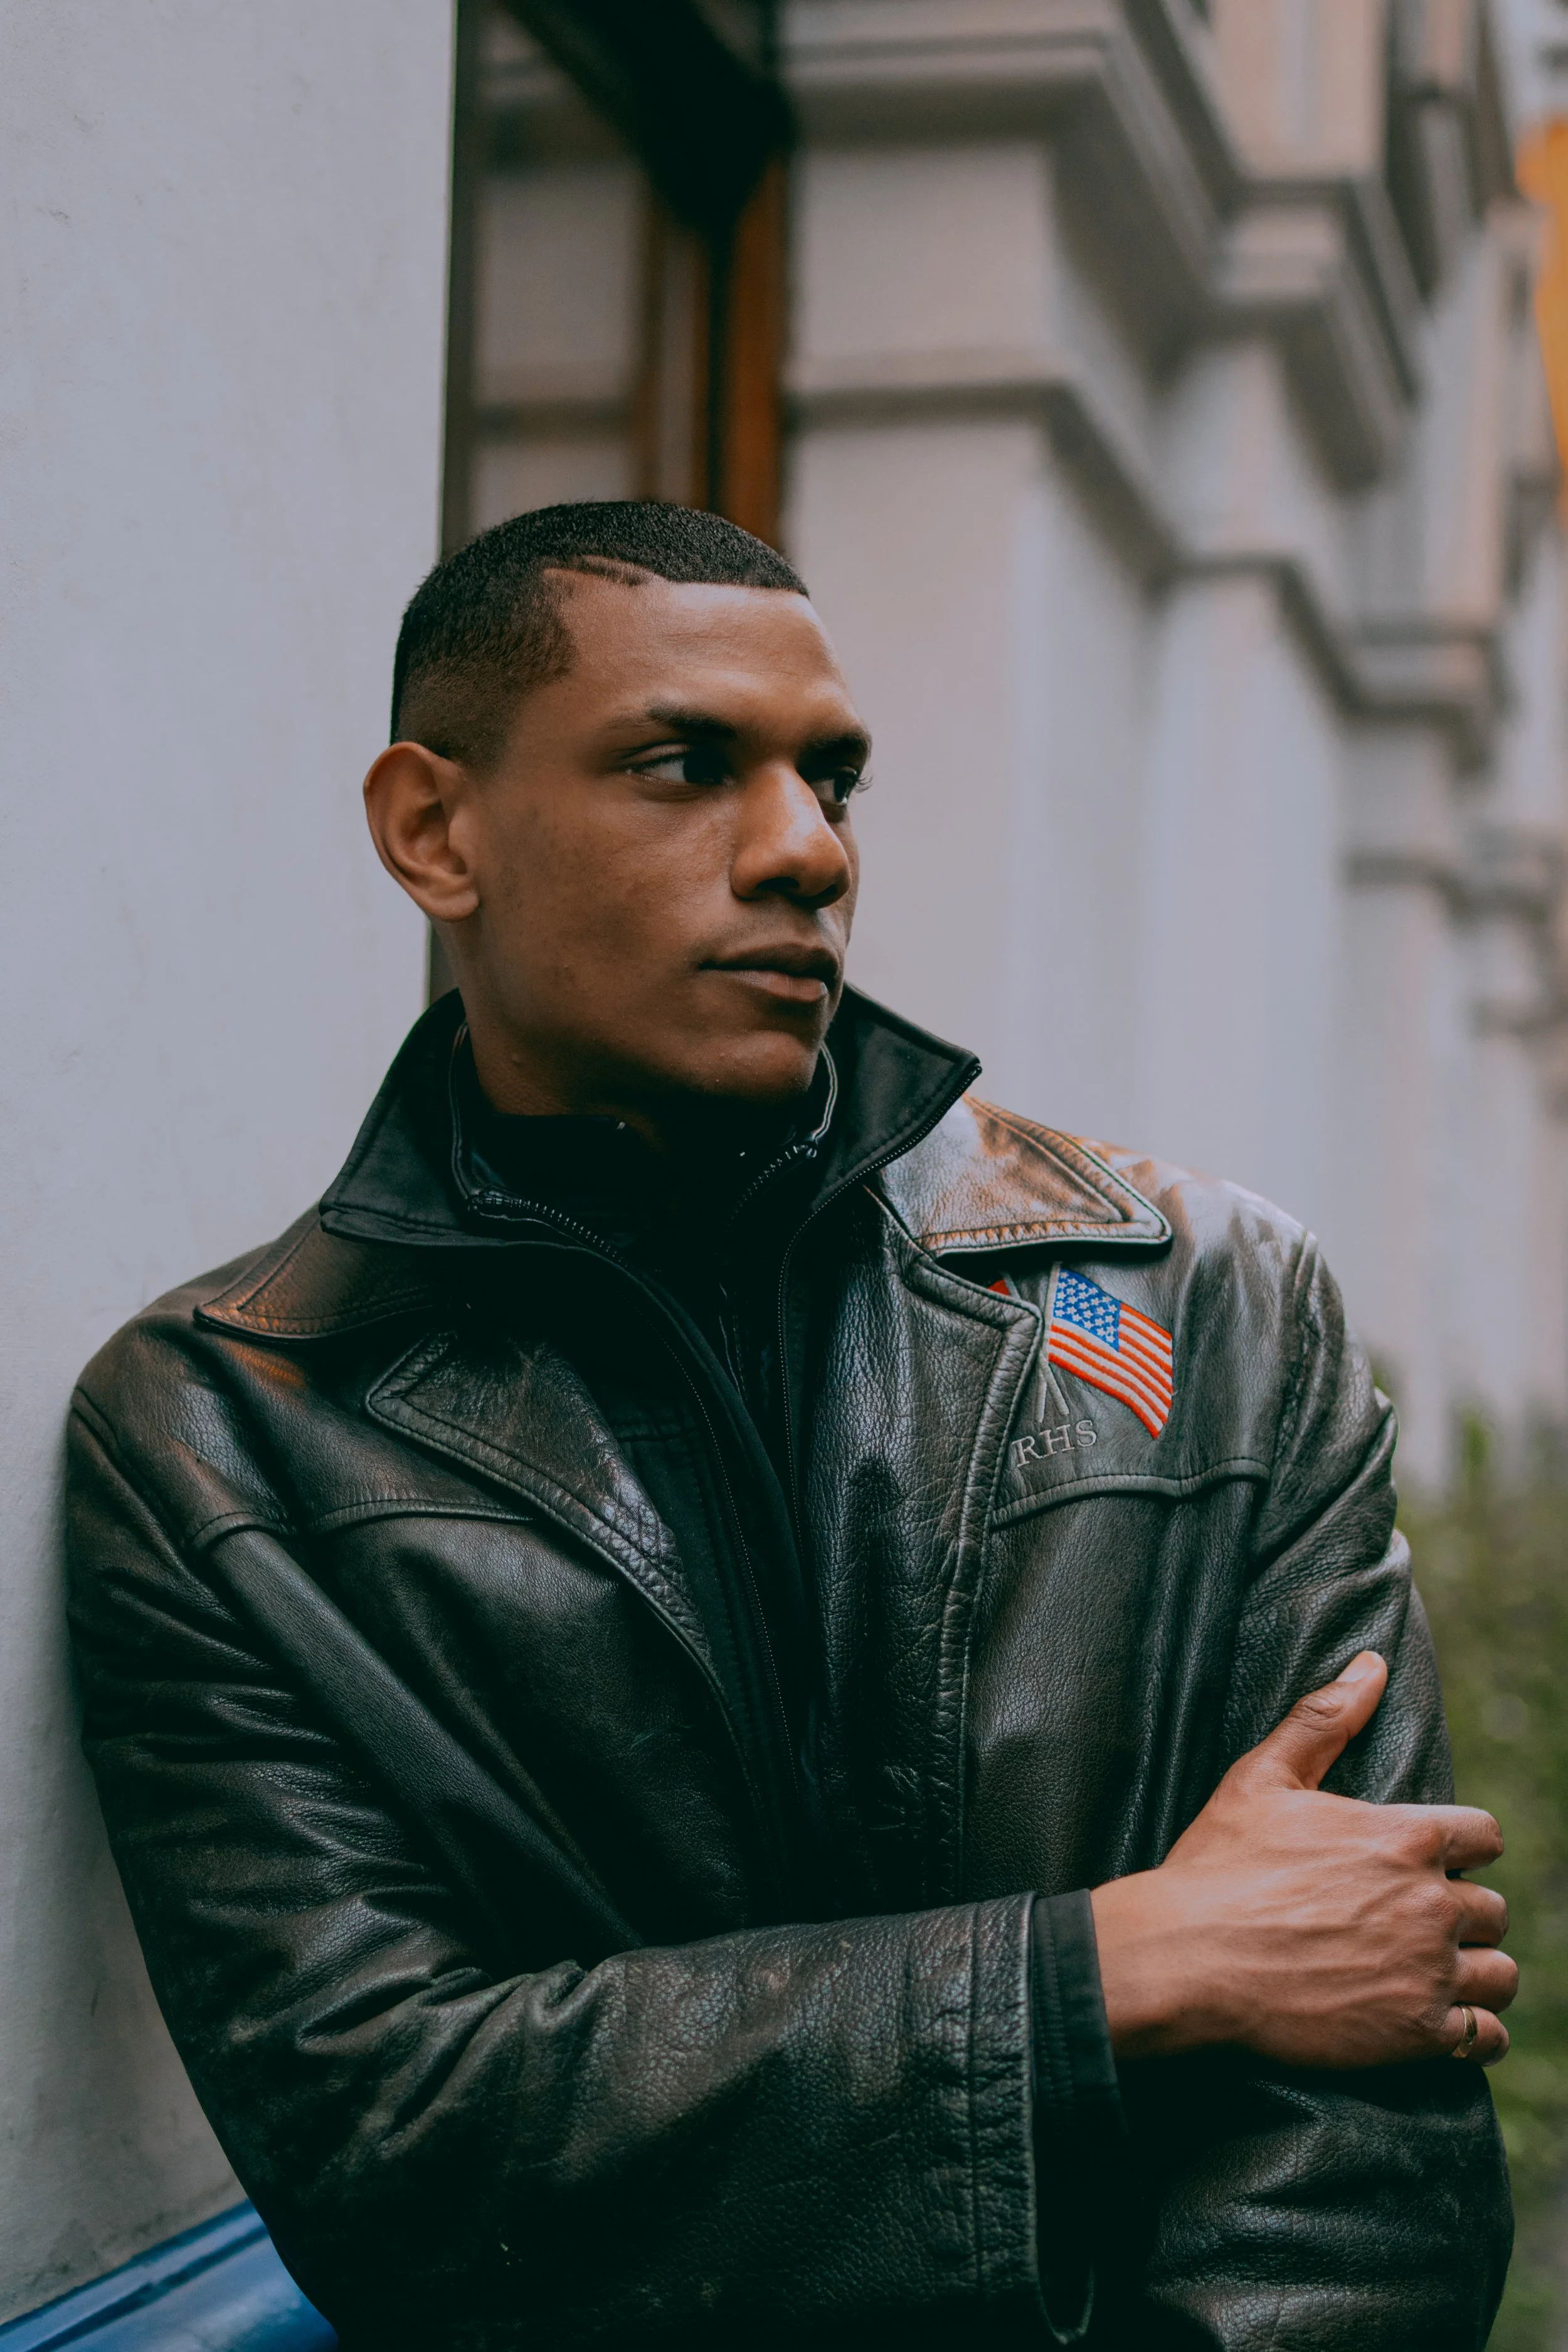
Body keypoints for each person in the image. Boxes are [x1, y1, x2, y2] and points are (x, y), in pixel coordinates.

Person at [66, 502, 1515, 2350]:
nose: (805, 850)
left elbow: (1371, 2097)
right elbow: (398, 2147)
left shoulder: (1196, 1301)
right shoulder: (222, 1438)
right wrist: (1102, 1972)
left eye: (835, 779)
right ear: (435, 829)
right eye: (685, 765)